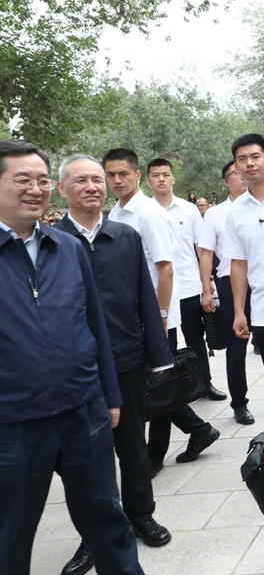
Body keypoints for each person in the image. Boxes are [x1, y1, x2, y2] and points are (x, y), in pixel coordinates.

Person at [0, 140, 143, 575]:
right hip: (14, 422)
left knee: (108, 522)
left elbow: (94, 324)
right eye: (22, 179)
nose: (36, 189)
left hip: (84, 411)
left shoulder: (68, 248)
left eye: (42, 180)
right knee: (10, 536)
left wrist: (110, 395)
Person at [55, 154, 174, 574]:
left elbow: (145, 296)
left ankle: (141, 514)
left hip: (126, 357)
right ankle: (94, 536)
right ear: (61, 189)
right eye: (81, 180)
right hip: (77, 368)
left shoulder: (125, 236)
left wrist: (159, 355)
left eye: (97, 180)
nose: (92, 187)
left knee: (133, 448)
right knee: (87, 458)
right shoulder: (52, 241)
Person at [104, 148, 218, 477]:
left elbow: (165, 269)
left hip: (154, 315)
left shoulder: (148, 214)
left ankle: (155, 454)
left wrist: (161, 316)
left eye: (123, 173)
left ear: (138, 175)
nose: (117, 180)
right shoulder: (116, 213)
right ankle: (199, 430)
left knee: (157, 383)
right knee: (150, 383)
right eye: (111, 174)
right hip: (131, 316)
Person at [147, 157, 224, 401]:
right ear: (148, 180)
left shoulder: (188, 210)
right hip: (158, 290)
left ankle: (205, 384)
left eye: (165, 174)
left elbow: (202, 248)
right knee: (165, 342)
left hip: (188, 285)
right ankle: (172, 393)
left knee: (195, 338)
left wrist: (207, 282)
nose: (161, 179)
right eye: (156, 175)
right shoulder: (145, 211)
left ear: (173, 178)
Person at [223, 133, 264, 407]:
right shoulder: (235, 211)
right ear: (236, 167)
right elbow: (238, 263)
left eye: (255, 156)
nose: (249, 163)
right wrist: (240, 312)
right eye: (242, 159)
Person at [198, 160, 254, 424]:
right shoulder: (215, 214)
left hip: (263, 283)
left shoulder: (261, 206)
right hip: (230, 285)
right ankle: (239, 403)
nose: (242, 175)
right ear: (226, 181)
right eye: (235, 173)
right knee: (236, 346)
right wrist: (206, 289)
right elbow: (206, 253)